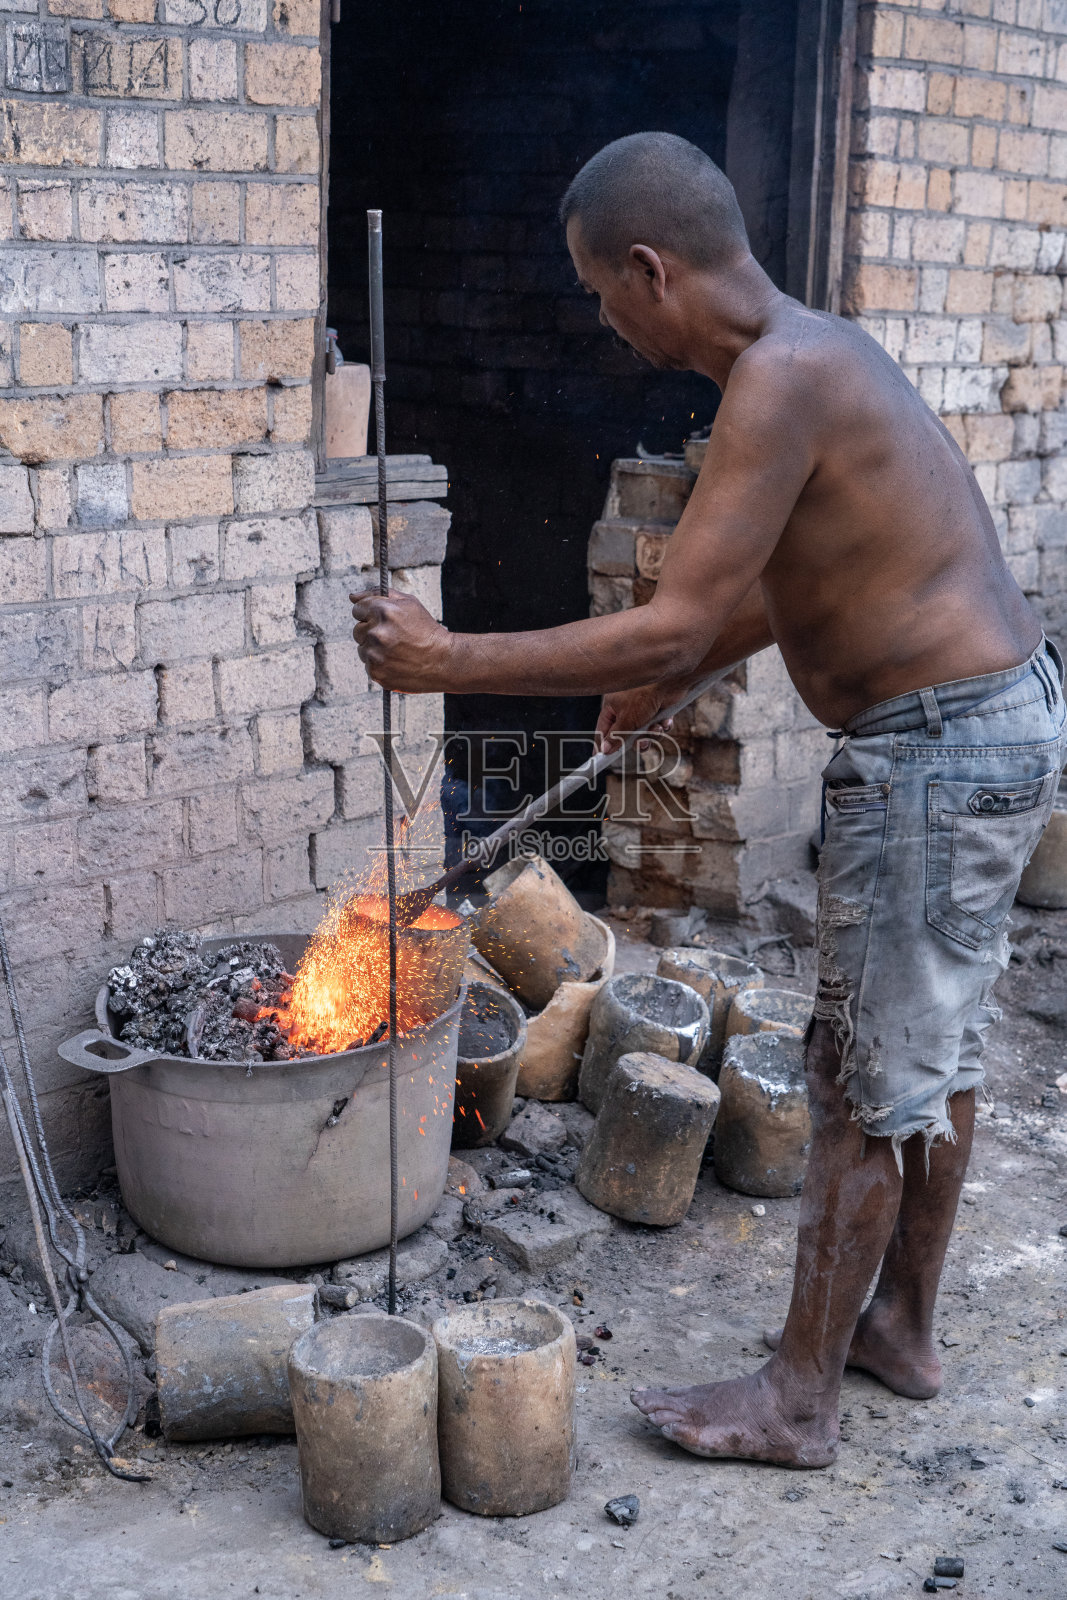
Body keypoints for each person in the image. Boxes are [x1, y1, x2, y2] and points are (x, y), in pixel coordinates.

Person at [351, 132, 1066, 1468]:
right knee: (942, 1052)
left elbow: (673, 615)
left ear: (648, 270)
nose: (603, 321)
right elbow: (788, 581)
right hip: (985, 724)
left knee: (856, 1078)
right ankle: (900, 1327)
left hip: (939, 750)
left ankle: (800, 1400)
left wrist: (447, 661)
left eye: (596, 294)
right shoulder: (807, 358)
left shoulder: (782, 377)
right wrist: (678, 673)